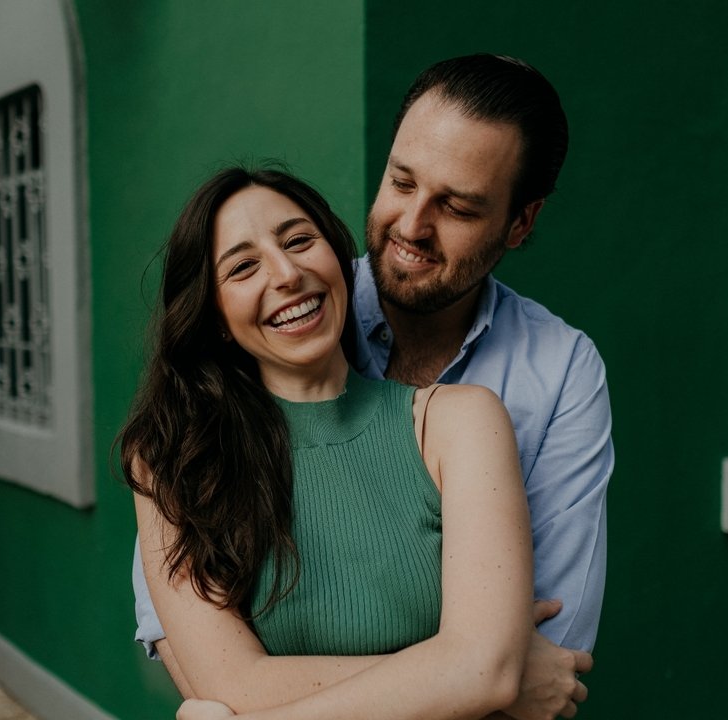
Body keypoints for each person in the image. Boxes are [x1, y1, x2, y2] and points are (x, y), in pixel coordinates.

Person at [133, 53, 612, 716]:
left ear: (519, 223)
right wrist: (458, 668)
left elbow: (544, 662)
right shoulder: (224, 398)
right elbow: (206, 663)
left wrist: (483, 668)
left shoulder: (554, 376)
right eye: (402, 181)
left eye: (459, 206)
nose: (411, 227)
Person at [121, 166, 542, 719]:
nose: (287, 273)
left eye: (299, 241)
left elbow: (485, 671)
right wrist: (455, 669)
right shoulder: (170, 463)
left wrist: (479, 669)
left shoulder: (459, 422)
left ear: (340, 263)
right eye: (243, 267)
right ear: (217, 318)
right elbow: (231, 683)